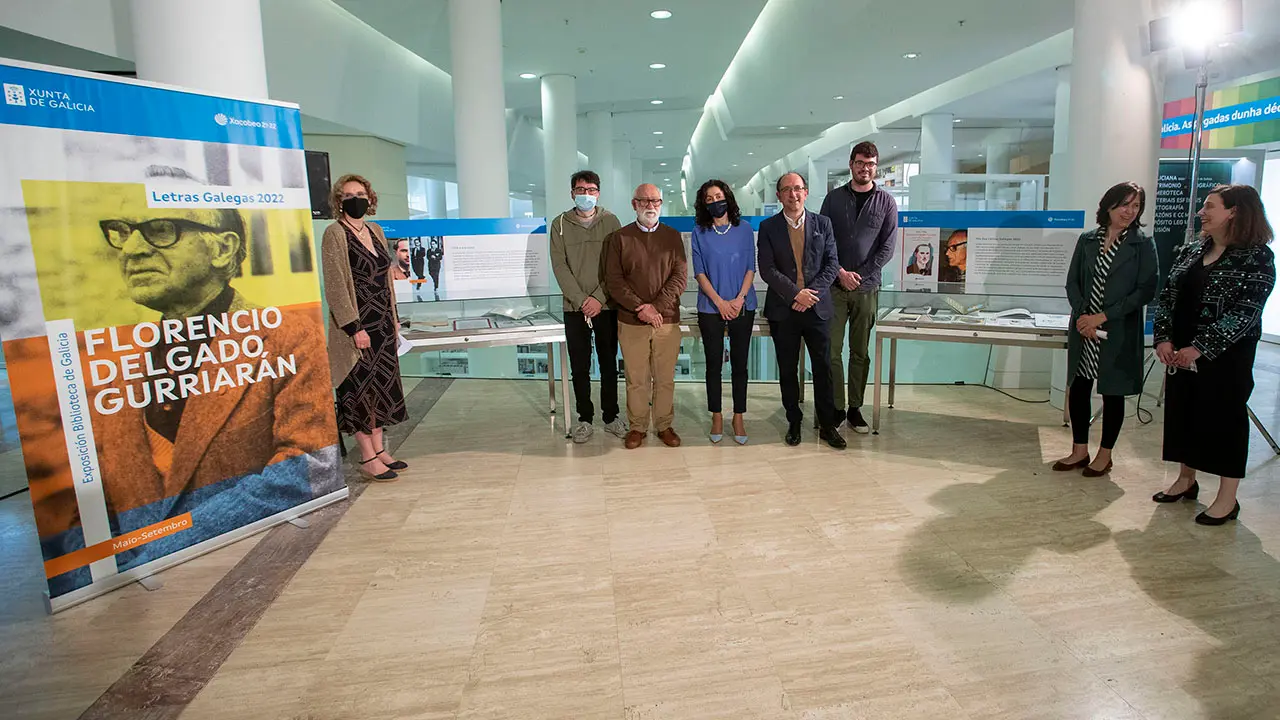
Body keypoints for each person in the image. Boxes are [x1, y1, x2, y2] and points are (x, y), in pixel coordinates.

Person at [58, 208, 338, 586]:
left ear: (223, 248)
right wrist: (88, 577)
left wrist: (157, 550)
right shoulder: (118, 368)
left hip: (247, 570)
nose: (132, 250)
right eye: (121, 232)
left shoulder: (286, 339)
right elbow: (93, 504)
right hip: (128, 604)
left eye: (159, 231)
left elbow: (307, 466)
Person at [1153, 184, 1276, 525]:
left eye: (1209, 206)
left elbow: (1246, 311)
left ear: (1234, 211)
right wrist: (1163, 339)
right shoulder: (1192, 250)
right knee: (1183, 412)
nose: (1201, 212)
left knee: (1224, 421)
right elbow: (1168, 296)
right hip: (1180, 353)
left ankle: (1227, 498)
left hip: (1226, 359)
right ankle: (1185, 479)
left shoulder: (1257, 257)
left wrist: (1201, 348)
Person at [1054, 182, 1158, 477]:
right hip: (1084, 328)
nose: (1130, 211)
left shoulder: (1142, 243)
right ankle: (1079, 450)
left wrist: (1102, 317)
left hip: (1118, 330)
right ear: (1109, 205)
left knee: (1113, 392)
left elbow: (1146, 290)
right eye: (1125, 204)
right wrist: (1083, 316)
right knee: (1079, 387)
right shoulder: (1088, 239)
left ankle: (1105, 454)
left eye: (1136, 206)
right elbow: (1072, 281)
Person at [321, 174, 408, 481]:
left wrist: (394, 316)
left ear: (369, 198)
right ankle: (367, 457)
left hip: (382, 323)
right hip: (356, 328)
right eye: (348, 195)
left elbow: (387, 278)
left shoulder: (375, 230)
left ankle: (380, 449)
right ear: (339, 201)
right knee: (358, 390)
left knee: (380, 389)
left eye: (360, 193)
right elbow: (335, 287)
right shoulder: (334, 233)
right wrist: (353, 326)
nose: (354, 199)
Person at [758, 172, 846, 449]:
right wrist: (796, 294)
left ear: (806, 193)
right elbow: (767, 269)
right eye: (787, 190)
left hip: (817, 309)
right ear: (779, 196)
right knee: (787, 370)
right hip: (784, 310)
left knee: (823, 369)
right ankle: (793, 422)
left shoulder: (823, 224)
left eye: (798, 189)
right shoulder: (768, 227)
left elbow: (832, 264)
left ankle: (827, 425)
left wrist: (810, 295)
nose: (793, 194)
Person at [820, 141, 899, 434]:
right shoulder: (833, 199)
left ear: (875, 166)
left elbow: (886, 248)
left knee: (860, 351)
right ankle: (837, 408)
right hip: (834, 287)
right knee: (832, 351)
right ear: (851, 164)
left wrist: (859, 275)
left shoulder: (887, 203)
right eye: (860, 162)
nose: (865, 168)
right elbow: (823, 239)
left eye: (871, 164)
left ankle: (855, 408)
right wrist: (840, 272)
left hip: (867, 288)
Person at [605, 183, 687, 450]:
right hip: (631, 321)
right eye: (644, 201)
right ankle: (637, 427)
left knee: (665, 378)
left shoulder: (673, 237)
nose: (650, 206)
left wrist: (657, 307)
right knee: (636, 378)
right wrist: (642, 307)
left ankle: (664, 425)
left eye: (655, 201)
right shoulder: (619, 238)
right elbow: (614, 281)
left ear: (661, 204)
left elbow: (679, 277)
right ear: (634, 205)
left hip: (667, 321)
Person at [549, 169, 626, 443]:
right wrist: (582, 300)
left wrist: (599, 298)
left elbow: (616, 266)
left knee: (608, 363)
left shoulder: (611, 221)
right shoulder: (559, 224)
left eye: (591, 190)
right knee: (579, 366)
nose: (586, 195)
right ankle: (584, 418)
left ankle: (611, 416)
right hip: (575, 307)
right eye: (581, 190)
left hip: (606, 306)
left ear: (599, 193)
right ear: (572, 193)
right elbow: (560, 266)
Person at [692, 179, 757, 445]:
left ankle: (738, 416)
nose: (714, 202)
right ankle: (716, 415)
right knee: (713, 366)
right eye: (709, 199)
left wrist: (739, 299)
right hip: (710, 307)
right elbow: (699, 272)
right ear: (704, 205)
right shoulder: (699, 232)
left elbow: (751, 268)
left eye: (718, 196)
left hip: (743, 304)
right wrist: (719, 302)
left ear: (728, 198)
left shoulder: (745, 230)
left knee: (740, 365)